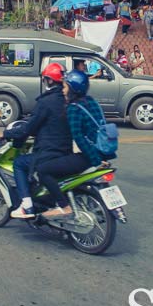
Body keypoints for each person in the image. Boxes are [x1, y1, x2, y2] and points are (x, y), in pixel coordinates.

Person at [35, 70, 114, 219]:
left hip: (86, 157)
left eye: (65, 87)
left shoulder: (73, 108)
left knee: (43, 170)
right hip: (103, 151)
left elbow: (79, 138)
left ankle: (64, 207)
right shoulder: (91, 101)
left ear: (72, 89)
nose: (63, 90)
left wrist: (96, 161)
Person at [9, 63, 72, 219]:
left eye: (46, 79)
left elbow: (29, 127)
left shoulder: (45, 102)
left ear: (49, 81)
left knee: (19, 163)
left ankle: (27, 206)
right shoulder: (68, 100)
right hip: (66, 152)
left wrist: (7, 133)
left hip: (49, 152)